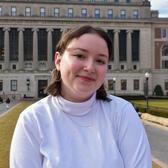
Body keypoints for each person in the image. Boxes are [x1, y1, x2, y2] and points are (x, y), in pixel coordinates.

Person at [10, 25, 152, 168]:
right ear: (58, 61)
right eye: (79, 55)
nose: (90, 67)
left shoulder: (123, 113)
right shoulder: (32, 119)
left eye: (100, 61)